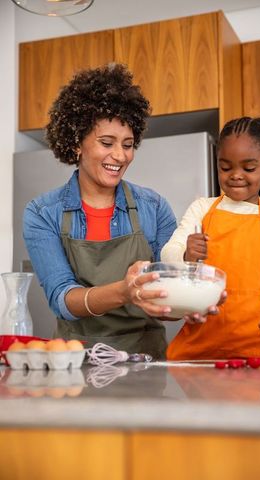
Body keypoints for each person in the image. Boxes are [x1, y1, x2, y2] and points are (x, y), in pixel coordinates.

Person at [23, 63, 179, 358]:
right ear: (76, 142)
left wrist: (188, 304)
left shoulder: (154, 207)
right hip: (75, 363)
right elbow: (62, 299)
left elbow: (166, 302)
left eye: (128, 144)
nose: (120, 156)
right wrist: (125, 291)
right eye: (106, 143)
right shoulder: (43, 213)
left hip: (145, 364)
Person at [161, 116, 260, 361]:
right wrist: (184, 255)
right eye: (226, 167)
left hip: (258, 345)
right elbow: (167, 254)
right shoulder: (201, 209)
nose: (236, 175)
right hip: (199, 348)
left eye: (248, 168)